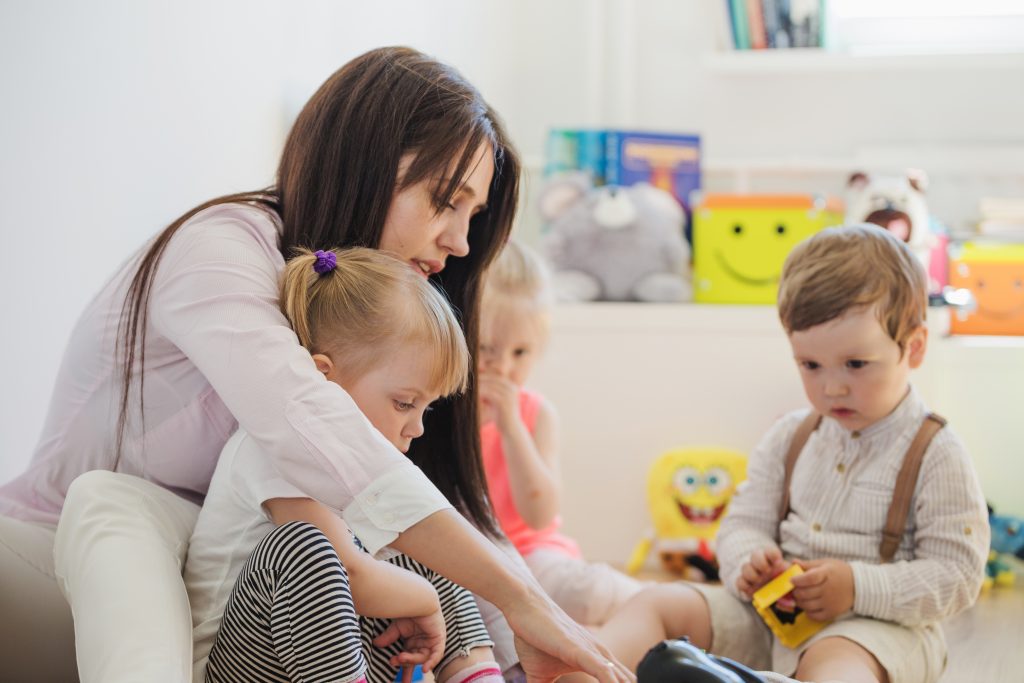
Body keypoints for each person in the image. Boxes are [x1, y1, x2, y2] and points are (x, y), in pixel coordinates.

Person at [0, 46, 631, 683]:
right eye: (445, 201)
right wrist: (525, 602)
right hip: (67, 552)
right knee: (124, 500)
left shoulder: (373, 334)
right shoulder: (219, 252)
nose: (461, 242)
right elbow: (317, 432)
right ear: (366, 164)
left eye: (474, 216)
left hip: (228, 571)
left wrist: (541, 642)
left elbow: (430, 506)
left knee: (423, 544)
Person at [567, 224, 989, 683]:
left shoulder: (936, 453)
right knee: (653, 603)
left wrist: (856, 588)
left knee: (837, 666)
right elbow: (742, 524)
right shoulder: (791, 435)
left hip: (878, 631)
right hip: (768, 621)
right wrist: (750, 558)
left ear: (915, 347)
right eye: (810, 365)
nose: (831, 386)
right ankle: (586, 678)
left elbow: (957, 575)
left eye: (856, 364)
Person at [187, 247, 500, 683]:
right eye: (404, 403)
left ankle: (474, 674)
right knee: (304, 548)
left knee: (429, 534)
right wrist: (425, 599)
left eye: (424, 410)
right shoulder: (277, 447)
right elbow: (351, 574)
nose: (416, 428)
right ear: (322, 378)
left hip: (323, 661)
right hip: (242, 666)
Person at [478, 240, 644, 626]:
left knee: (593, 591)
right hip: (471, 566)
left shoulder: (536, 414)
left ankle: (668, 611)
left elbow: (539, 515)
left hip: (534, 556)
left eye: (521, 353)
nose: (503, 367)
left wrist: (511, 429)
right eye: (487, 348)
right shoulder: (436, 408)